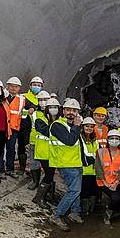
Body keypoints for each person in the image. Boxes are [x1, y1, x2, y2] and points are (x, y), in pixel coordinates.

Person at [49, 98, 84, 231]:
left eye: (74, 110)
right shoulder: (57, 125)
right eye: (68, 110)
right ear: (63, 111)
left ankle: (75, 212)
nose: (71, 113)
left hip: (76, 162)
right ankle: (57, 215)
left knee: (76, 190)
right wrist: (76, 126)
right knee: (74, 190)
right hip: (65, 164)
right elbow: (70, 141)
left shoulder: (74, 126)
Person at [31, 96, 59, 209]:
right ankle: (39, 197)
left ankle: (49, 195)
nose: (53, 109)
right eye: (51, 107)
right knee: (48, 174)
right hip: (43, 152)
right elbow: (47, 132)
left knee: (51, 174)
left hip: (53, 152)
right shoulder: (40, 119)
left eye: (55, 107)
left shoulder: (58, 120)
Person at [95, 129, 120, 225]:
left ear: (119, 140)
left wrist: (116, 182)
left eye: (116, 138)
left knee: (119, 200)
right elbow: (98, 168)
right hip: (104, 182)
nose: (114, 140)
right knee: (115, 198)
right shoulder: (100, 152)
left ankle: (113, 209)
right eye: (112, 138)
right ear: (108, 140)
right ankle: (108, 215)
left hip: (118, 181)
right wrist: (105, 182)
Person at [27, 90, 51, 189]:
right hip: (34, 142)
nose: (43, 102)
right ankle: (35, 182)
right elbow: (27, 127)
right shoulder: (33, 113)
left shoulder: (53, 113)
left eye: (45, 100)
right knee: (34, 163)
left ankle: (47, 183)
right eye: (40, 100)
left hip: (48, 144)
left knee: (48, 166)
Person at [4, 77, 27, 178]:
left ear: (19, 88)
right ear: (7, 86)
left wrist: (31, 108)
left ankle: (10, 169)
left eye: (16, 86)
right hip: (2, 127)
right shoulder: (1, 96)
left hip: (13, 128)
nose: (13, 88)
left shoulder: (22, 99)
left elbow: (32, 106)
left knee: (11, 149)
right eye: (11, 86)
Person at [21, 77, 42, 180]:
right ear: (30, 85)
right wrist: (27, 112)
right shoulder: (24, 97)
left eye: (39, 85)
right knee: (25, 148)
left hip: (38, 130)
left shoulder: (43, 97)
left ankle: (34, 170)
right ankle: (24, 168)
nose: (36, 87)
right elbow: (20, 114)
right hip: (26, 126)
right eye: (34, 84)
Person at [80, 117, 100, 215]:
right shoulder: (80, 139)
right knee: (85, 190)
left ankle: (91, 209)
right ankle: (85, 210)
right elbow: (84, 155)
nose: (89, 128)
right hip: (84, 170)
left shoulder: (95, 141)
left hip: (94, 171)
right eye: (87, 126)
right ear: (83, 127)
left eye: (91, 127)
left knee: (94, 191)